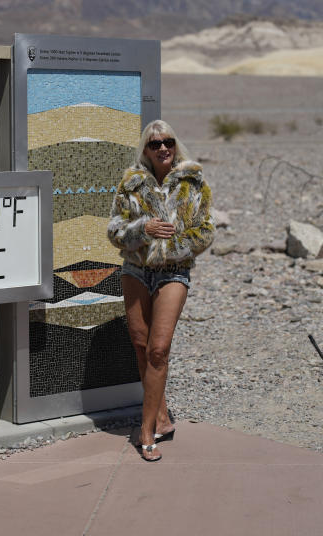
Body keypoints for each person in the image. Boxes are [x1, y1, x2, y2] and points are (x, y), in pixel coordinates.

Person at [107, 119, 214, 461]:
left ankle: (146, 429)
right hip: (136, 271)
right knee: (141, 346)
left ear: (175, 144)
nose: (163, 148)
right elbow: (115, 230)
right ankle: (162, 416)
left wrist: (169, 248)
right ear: (146, 149)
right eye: (155, 144)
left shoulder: (193, 182)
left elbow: (205, 232)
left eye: (168, 141)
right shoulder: (131, 183)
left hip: (173, 273)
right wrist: (144, 227)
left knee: (158, 350)